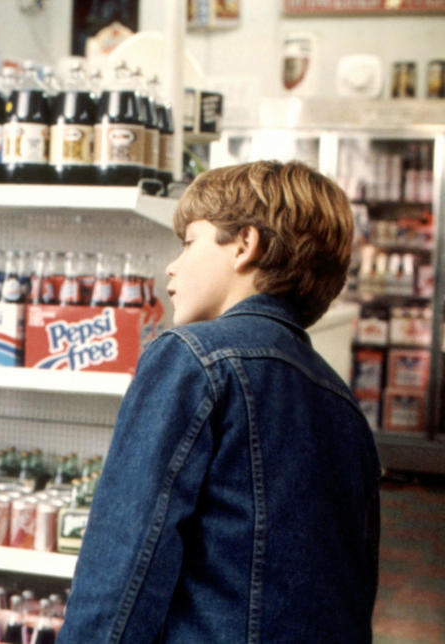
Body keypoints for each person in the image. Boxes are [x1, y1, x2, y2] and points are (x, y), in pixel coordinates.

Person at [59, 160, 381, 643]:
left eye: (190, 241)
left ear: (245, 246)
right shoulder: (343, 404)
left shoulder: (191, 357)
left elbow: (126, 566)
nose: (173, 263)